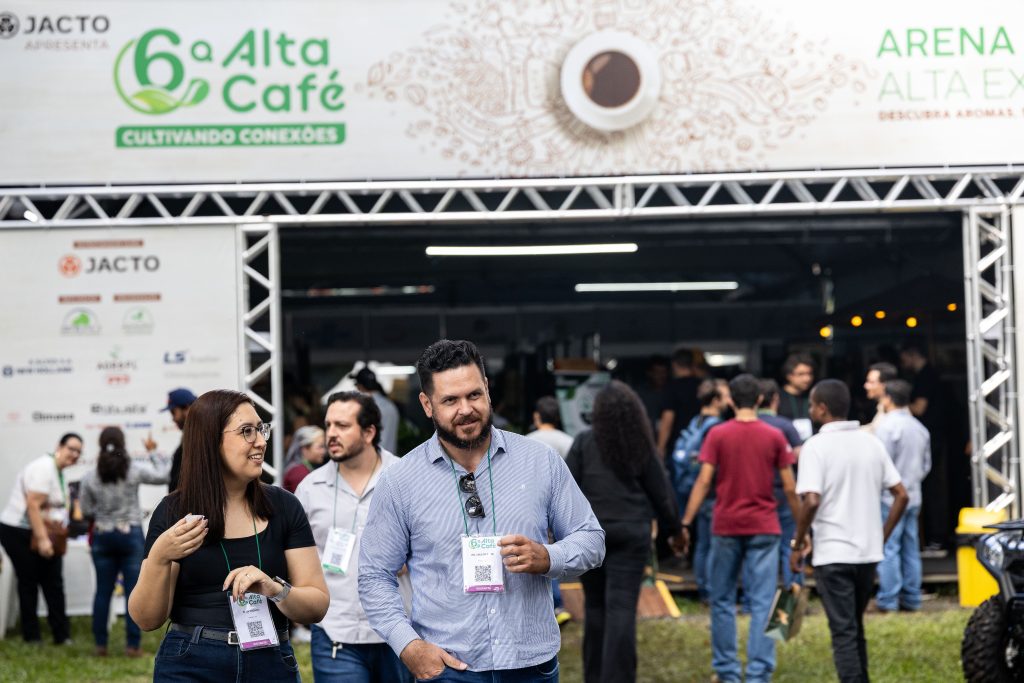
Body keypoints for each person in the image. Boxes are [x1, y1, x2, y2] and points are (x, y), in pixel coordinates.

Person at [358, 339, 605, 681]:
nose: (466, 409)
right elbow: (374, 576)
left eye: (474, 395)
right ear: (427, 404)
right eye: (450, 400)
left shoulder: (540, 461)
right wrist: (409, 646)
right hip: (449, 668)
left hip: (530, 667)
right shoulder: (400, 481)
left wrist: (548, 557)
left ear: (487, 389)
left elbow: (591, 539)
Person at [129, 389, 329, 682]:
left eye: (260, 429)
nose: (260, 441)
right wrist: (159, 557)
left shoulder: (284, 506)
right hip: (191, 662)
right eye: (247, 431)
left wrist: (274, 589)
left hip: (270, 660)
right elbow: (147, 619)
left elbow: (317, 605)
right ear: (210, 441)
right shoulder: (175, 512)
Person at [681, 374, 798, 683]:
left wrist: (686, 521)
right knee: (762, 601)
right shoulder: (774, 436)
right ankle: (759, 673)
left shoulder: (717, 434)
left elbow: (704, 480)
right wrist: (802, 528)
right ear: (760, 400)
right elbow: (789, 486)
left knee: (722, 600)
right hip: (765, 525)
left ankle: (727, 671)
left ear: (730, 401)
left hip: (726, 524)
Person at [790, 379, 909, 683]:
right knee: (855, 626)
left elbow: (811, 500)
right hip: (867, 554)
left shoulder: (815, 446)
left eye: (812, 405)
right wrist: (881, 535)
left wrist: (798, 542)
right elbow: (901, 495)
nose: (810, 409)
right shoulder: (871, 443)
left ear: (822, 408)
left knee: (843, 631)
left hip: (833, 553)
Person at [566, 380, 681, 683]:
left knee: (594, 606)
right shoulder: (640, 445)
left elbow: (567, 487)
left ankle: (594, 676)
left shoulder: (583, 442)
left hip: (591, 533)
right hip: (631, 531)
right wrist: (675, 530)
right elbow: (661, 493)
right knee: (621, 608)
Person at [295, 391, 412, 682]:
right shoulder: (310, 488)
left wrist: (411, 556)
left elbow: (438, 545)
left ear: (369, 432)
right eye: (328, 425)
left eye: (342, 426)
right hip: (335, 631)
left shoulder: (407, 478)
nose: (331, 434)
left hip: (401, 632)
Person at [79, 426, 171, 657]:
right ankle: (133, 646)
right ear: (122, 444)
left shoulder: (90, 476)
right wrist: (152, 452)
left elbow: (86, 510)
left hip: (102, 535)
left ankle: (100, 645)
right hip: (130, 535)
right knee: (133, 591)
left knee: (103, 592)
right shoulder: (132, 471)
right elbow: (164, 475)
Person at [0, 432, 81, 645]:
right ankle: (32, 636)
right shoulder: (44, 467)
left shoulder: (57, 470)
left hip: (41, 531)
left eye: (79, 452)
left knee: (53, 582)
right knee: (29, 581)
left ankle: (61, 634)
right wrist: (43, 539)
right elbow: (33, 505)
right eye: (71, 449)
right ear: (59, 447)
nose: (75, 454)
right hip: (19, 531)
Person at [874, 379, 931, 613]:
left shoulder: (886, 427)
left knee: (889, 547)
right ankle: (912, 598)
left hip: (891, 497)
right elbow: (926, 465)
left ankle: (888, 600)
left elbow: (880, 464)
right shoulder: (920, 427)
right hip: (914, 495)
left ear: (887, 398)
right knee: (911, 547)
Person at [671, 378, 728, 602]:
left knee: (702, 544)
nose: (729, 399)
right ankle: (712, 590)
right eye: (725, 395)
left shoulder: (695, 422)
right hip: (711, 491)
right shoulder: (716, 427)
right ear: (715, 400)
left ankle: (704, 588)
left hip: (691, 489)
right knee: (714, 544)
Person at [754, 379, 804, 590]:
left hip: (756, 494)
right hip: (783, 492)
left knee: (759, 548)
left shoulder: (748, 426)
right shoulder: (785, 425)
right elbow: (800, 456)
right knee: (790, 544)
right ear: (775, 399)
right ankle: (794, 593)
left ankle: (757, 596)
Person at [655, 347, 702, 459]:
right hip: (701, 442)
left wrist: (660, 447)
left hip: (679, 445)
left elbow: (668, 418)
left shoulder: (672, 388)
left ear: (674, 365)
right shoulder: (702, 386)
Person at [149, 387, 197, 493]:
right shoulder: (191, 436)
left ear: (186, 408)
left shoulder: (201, 438)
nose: (173, 419)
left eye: (173, 412)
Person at [352, 367, 401, 455]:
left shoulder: (366, 406)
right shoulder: (390, 405)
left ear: (360, 386)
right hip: (390, 458)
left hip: (373, 459)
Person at [776, 353, 815, 441]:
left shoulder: (813, 397)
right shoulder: (777, 398)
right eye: (801, 374)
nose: (807, 379)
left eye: (809, 374)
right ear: (789, 376)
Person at [282, 426, 326, 494]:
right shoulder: (298, 473)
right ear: (305, 449)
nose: (324, 451)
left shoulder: (300, 468)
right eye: (320, 447)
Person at [862, 362, 898, 433]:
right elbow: (872, 428)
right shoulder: (882, 407)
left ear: (885, 385)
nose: (866, 386)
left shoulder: (893, 411)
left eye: (871, 382)